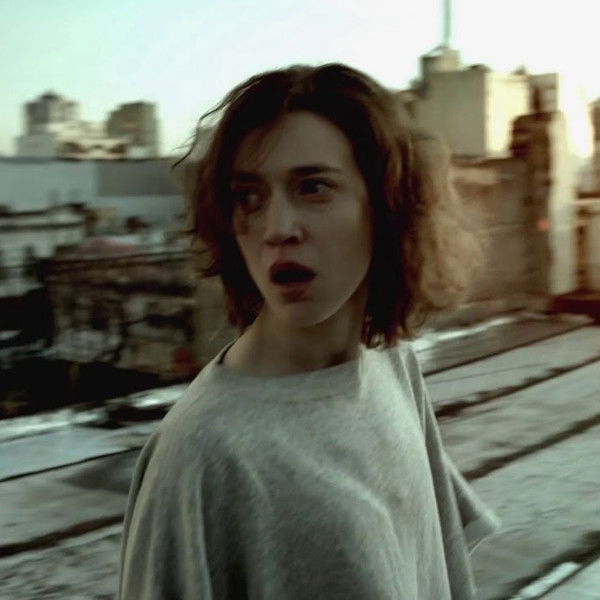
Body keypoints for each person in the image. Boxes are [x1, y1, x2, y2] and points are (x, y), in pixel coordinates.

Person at [117, 63, 500, 599]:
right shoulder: (200, 454)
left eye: (313, 187)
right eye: (249, 197)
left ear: (386, 205)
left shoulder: (394, 365)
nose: (277, 229)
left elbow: (441, 570)